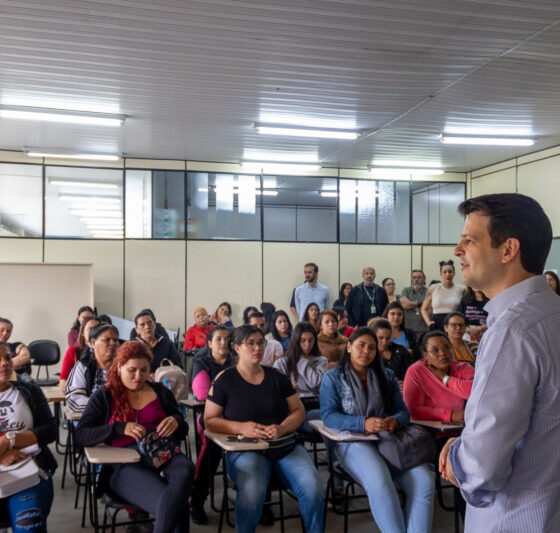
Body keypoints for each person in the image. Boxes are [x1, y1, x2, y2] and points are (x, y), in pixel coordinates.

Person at [438, 193, 560, 532]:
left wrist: (457, 457)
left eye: (469, 240)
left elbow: (482, 468)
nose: (457, 250)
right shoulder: (552, 313)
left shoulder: (512, 331)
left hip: (514, 518)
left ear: (508, 250)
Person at [205, 325, 325, 533]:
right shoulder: (225, 379)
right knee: (252, 491)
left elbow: (298, 410)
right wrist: (242, 427)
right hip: (245, 448)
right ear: (236, 348)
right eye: (250, 343)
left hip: (284, 444)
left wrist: (282, 427)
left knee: (313, 488)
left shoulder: (277, 376)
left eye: (261, 342)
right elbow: (210, 420)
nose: (257, 348)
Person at [320, 327, 434, 532]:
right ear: (349, 347)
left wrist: (394, 421)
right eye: (360, 346)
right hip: (353, 443)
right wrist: (362, 423)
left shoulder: (386, 376)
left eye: (371, 348)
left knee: (425, 481)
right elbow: (328, 416)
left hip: (389, 439)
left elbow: (404, 413)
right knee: (380, 481)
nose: (366, 351)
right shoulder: (333, 377)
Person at [75, 340, 194, 533]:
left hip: (161, 453)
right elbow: (80, 435)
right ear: (119, 367)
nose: (139, 376)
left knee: (186, 468)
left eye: (144, 370)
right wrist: (118, 428)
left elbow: (182, 428)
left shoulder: (160, 392)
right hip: (124, 464)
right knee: (176, 505)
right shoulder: (104, 395)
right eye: (132, 370)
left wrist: (175, 421)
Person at [0, 343, 57, 533]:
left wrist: (10, 440)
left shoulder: (29, 391)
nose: (4, 364)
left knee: (29, 527)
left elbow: (50, 430)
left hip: (27, 471)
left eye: (7, 358)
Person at [190, 326, 235, 524]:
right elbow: (202, 394)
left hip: (237, 415)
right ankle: (197, 501)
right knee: (212, 449)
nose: (223, 343)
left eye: (227, 339)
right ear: (209, 343)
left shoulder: (237, 360)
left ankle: (259, 500)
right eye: (218, 339)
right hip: (209, 416)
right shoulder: (201, 361)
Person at [404, 331, 474, 424]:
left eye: (446, 347)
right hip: (431, 431)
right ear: (425, 355)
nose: (442, 353)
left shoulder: (463, 367)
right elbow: (413, 410)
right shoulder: (417, 371)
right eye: (435, 350)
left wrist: (445, 378)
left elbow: (478, 392)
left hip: (465, 429)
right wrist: (449, 415)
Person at [65, 324, 119, 413]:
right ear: (93, 343)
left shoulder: (124, 366)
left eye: (115, 340)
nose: (113, 343)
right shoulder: (83, 366)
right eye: (107, 340)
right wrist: (103, 406)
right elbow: (74, 399)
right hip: (90, 416)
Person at [274, 322, 328, 396]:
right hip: (292, 403)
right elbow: (276, 389)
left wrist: (301, 360)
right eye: (303, 341)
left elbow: (315, 383)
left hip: (315, 402)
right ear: (296, 341)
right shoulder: (282, 363)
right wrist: (288, 388)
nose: (307, 344)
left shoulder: (321, 360)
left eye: (310, 340)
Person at [59, 316, 100, 390]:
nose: (94, 332)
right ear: (82, 333)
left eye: (98, 329)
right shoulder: (73, 352)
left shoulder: (108, 353)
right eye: (90, 329)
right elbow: (63, 382)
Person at [421, 260, 464, 330]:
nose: (448, 274)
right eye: (445, 272)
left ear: (454, 273)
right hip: (436, 323)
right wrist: (428, 323)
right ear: (441, 274)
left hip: (454, 323)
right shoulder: (433, 288)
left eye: (450, 272)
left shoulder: (462, 289)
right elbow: (424, 308)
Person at [371, 318, 414, 387]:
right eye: (380, 338)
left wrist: (406, 384)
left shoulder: (401, 350)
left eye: (388, 338)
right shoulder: (369, 354)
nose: (384, 342)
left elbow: (411, 373)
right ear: (373, 336)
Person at [400, 270, 429, 335]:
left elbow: (429, 307)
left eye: (419, 277)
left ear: (424, 279)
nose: (416, 280)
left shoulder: (428, 291)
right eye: (414, 277)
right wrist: (420, 304)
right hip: (408, 329)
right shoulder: (406, 290)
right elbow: (404, 304)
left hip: (425, 329)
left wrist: (410, 305)